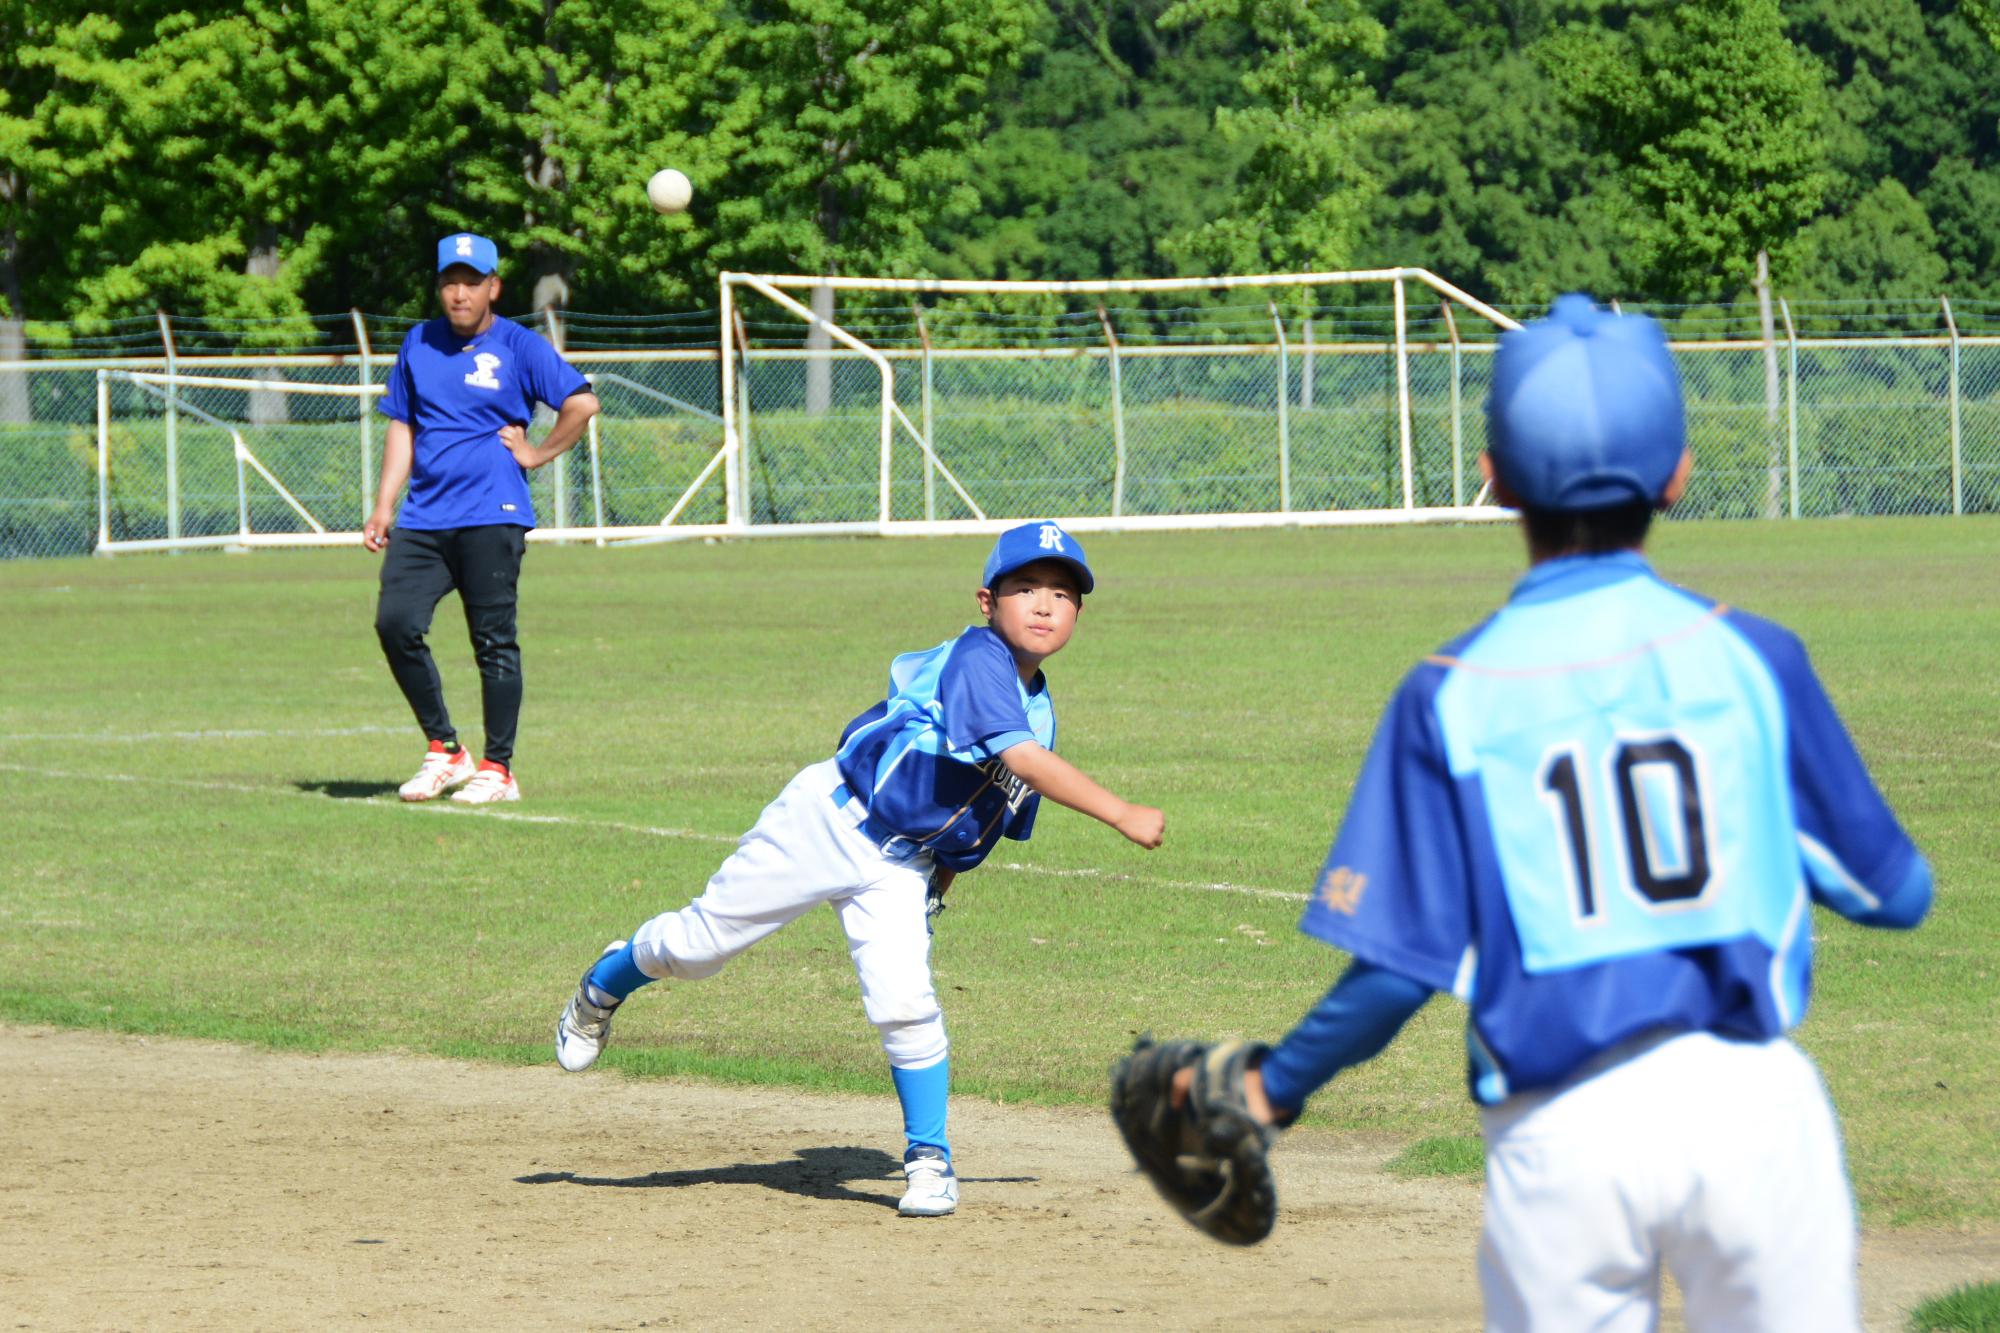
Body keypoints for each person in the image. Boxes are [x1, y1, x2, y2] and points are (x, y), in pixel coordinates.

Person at [1174, 295, 1933, 1329]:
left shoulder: (1448, 691)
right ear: (1676, 474)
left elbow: (1398, 970)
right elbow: (1896, 894)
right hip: (1752, 1114)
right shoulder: (1750, 656)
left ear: (1491, 476)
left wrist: (1273, 1086)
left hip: (1558, 1134)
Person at [553, 520, 1166, 1217]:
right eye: (1025, 587)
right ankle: (605, 983)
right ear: (986, 601)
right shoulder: (979, 659)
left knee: (905, 1000)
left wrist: (942, 881)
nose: (1045, 603)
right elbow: (1020, 760)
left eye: (1062, 592)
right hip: (827, 818)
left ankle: (929, 1157)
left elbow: (985, 818)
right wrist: (1120, 811)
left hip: (901, 865)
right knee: (697, 948)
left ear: (1080, 614)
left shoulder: (1041, 712)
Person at [364, 233, 601, 805]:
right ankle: (445, 750)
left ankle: (499, 767)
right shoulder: (417, 343)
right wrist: (383, 503)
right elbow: (403, 425)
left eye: (472, 282)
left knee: (492, 640)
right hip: (423, 516)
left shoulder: (520, 345)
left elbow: (582, 402)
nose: (460, 292)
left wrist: (536, 454)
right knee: (395, 622)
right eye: (451, 281)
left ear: (494, 286)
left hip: (492, 512)